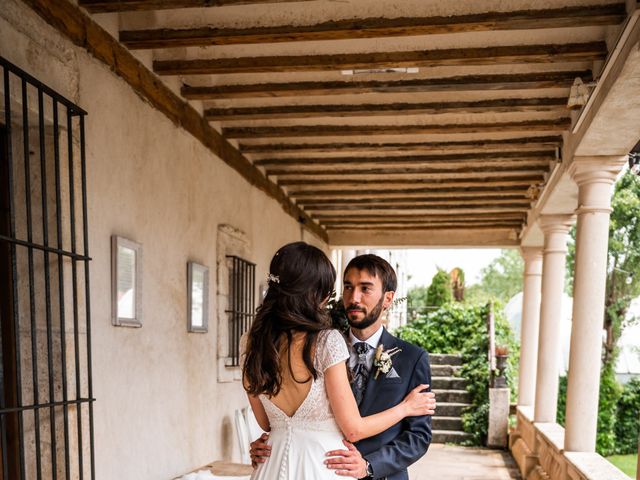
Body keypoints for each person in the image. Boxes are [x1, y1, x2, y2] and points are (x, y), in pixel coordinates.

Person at [242, 243, 435, 480]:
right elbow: (275, 425)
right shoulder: (326, 342)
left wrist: (370, 465)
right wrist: (272, 441)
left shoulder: (412, 358)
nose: (354, 297)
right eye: (347, 287)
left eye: (365, 289)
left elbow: (418, 437)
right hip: (321, 467)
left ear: (388, 299)